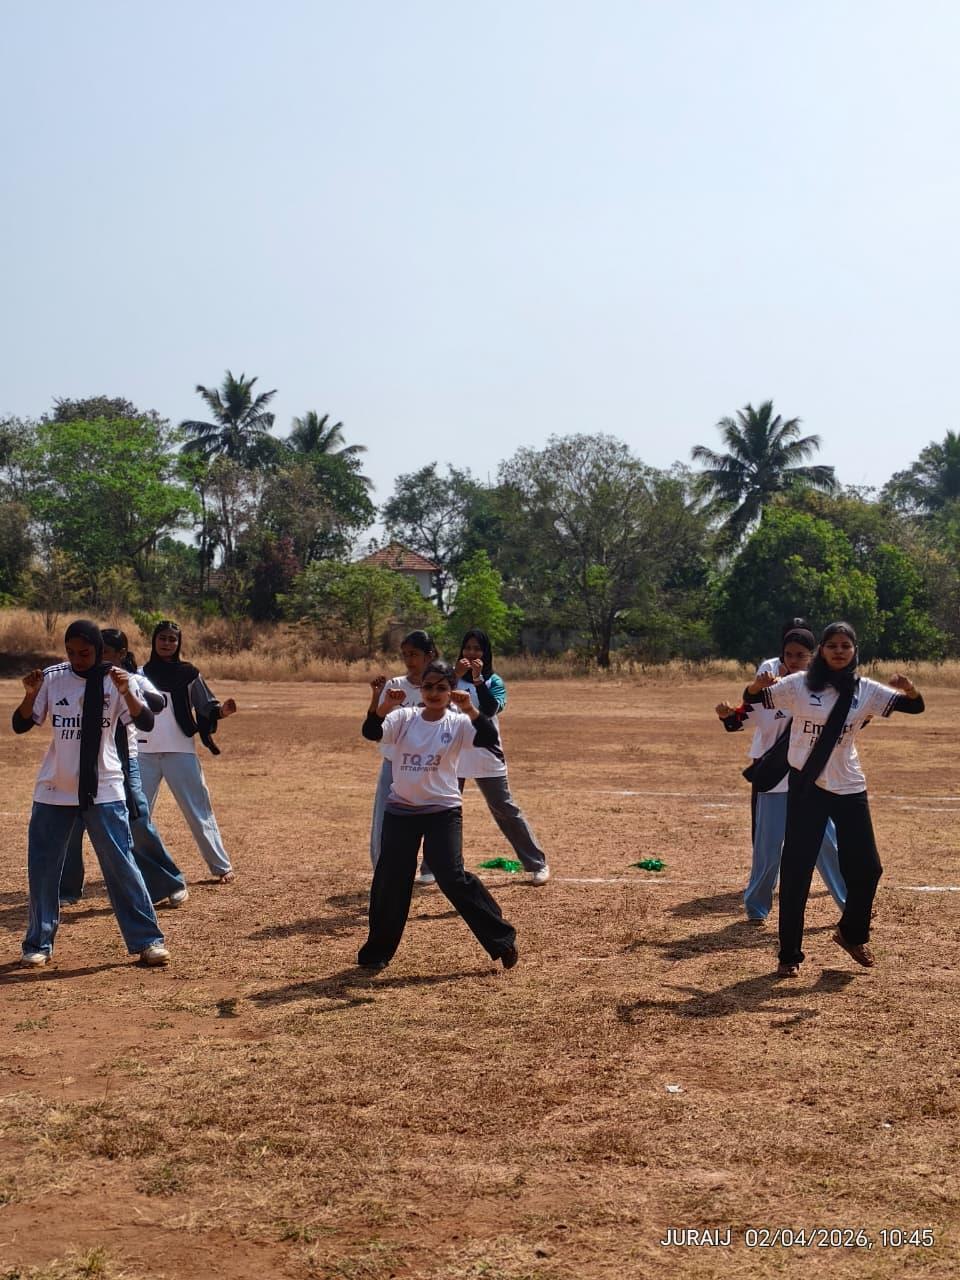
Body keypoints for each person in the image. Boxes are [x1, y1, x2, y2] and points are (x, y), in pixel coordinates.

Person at [743, 621, 925, 977]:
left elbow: (914, 708)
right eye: (832, 646)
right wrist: (756, 685)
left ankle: (851, 933)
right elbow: (754, 699)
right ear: (822, 651)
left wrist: (910, 689)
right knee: (796, 871)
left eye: (846, 646)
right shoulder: (799, 684)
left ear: (854, 651)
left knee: (868, 867)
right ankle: (789, 955)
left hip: (849, 785)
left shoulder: (865, 689)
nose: (839, 651)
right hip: (807, 786)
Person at [12, 619, 170, 967]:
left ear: (98, 650)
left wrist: (127, 691)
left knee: (121, 864)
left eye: (84, 653)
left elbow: (145, 721)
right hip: (55, 789)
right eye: (71, 652)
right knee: (43, 868)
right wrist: (30, 694)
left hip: (105, 788)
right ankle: (38, 943)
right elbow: (20, 723)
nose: (77, 659)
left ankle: (147, 940)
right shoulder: (53, 677)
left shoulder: (117, 679)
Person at [358, 661, 519, 971]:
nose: (434, 693)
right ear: (421, 689)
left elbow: (488, 738)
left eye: (441, 687)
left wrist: (470, 708)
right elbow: (371, 731)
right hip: (401, 811)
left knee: (451, 876)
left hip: (442, 812)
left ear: (451, 691)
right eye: (428, 686)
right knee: (391, 878)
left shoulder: (458, 723)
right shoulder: (404, 717)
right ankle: (377, 953)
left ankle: (501, 939)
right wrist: (383, 705)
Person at [718, 626, 846, 924]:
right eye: (788, 655)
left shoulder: (826, 690)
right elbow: (739, 720)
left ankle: (850, 904)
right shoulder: (770, 692)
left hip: (812, 781)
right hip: (775, 780)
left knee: (827, 846)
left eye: (800, 655)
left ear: (813, 656)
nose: (793, 660)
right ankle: (756, 906)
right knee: (767, 848)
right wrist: (728, 713)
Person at [60, 629, 188, 909]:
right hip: (81, 763)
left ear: (121, 654)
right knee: (71, 823)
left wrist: (131, 690)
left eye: (105, 651)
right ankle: (67, 889)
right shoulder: (77, 679)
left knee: (136, 822)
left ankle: (171, 882)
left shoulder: (133, 679)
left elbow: (158, 703)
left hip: (121, 762)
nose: (99, 657)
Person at [137, 621, 237, 882]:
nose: (167, 643)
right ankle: (132, 867)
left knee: (198, 809)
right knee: (137, 814)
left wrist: (221, 712)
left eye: (172, 639)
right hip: (143, 753)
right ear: (154, 640)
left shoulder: (189, 674)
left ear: (179, 643)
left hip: (180, 751)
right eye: (162, 638)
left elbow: (206, 706)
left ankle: (221, 866)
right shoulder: (139, 674)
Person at [452, 629, 549, 884]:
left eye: (477, 649)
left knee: (504, 807)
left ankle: (537, 863)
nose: (471, 653)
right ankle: (434, 867)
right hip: (452, 750)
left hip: (485, 749)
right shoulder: (450, 678)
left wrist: (477, 680)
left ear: (486, 653)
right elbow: (434, 700)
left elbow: (490, 709)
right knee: (444, 809)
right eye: (467, 648)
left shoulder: (494, 681)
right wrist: (454, 677)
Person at [366, 630, 438, 878]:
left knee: (430, 819)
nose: (409, 660)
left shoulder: (439, 687)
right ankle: (382, 871)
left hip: (427, 766)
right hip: (394, 764)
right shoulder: (395, 686)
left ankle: (430, 867)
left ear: (429, 655)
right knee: (384, 820)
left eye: (414, 654)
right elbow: (375, 727)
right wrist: (379, 698)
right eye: (405, 654)